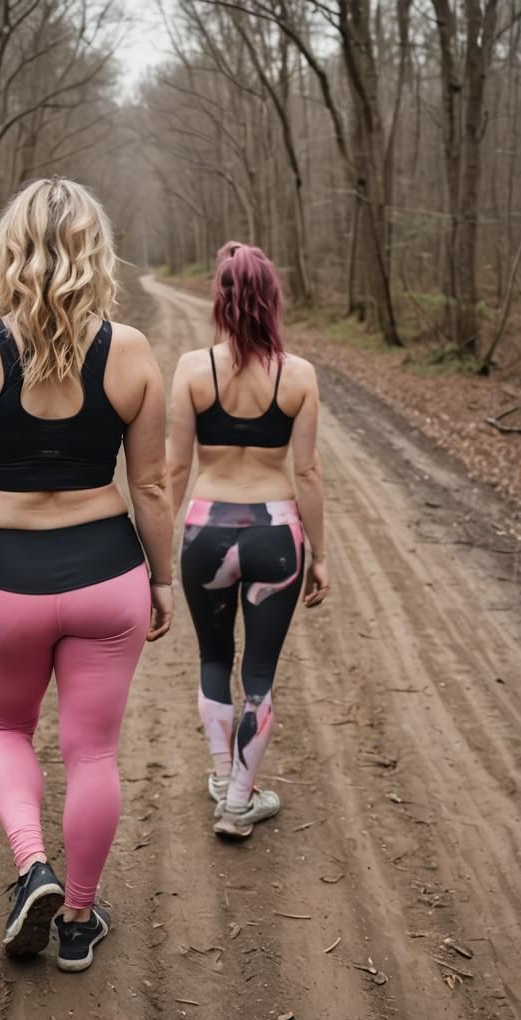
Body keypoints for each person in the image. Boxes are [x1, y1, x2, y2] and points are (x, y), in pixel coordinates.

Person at [0, 178, 173, 971]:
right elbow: (153, 486)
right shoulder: (130, 352)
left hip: (4, 578)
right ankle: (77, 920)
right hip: (107, 572)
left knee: (4, 729)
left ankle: (33, 866)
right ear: (95, 253)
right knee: (93, 753)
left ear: (8, 251)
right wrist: (162, 579)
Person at [167, 241, 328, 839]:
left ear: (220, 299)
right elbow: (307, 472)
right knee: (259, 672)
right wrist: (320, 555)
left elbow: (174, 470)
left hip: (206, 531)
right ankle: (238, 803)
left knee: (213, 658)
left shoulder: (192, 369)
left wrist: (158, 550)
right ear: (272, 300)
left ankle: (220, 777)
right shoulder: (299, 375)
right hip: (275, 534)